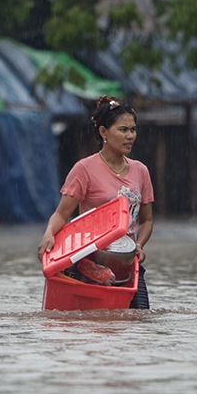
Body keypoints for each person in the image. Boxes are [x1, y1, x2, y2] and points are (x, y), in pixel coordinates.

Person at [37, 95, 154, 309]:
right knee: (92, 322)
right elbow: (62, 214)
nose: (130, 136)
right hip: (90, 263)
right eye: (123, 130)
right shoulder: (84, 170)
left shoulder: (141, 171)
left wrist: (138, 246)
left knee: (139, 321)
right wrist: (48, 234)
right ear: (103, 132)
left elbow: (147, 220)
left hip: (128, 264)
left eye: (133, 130)